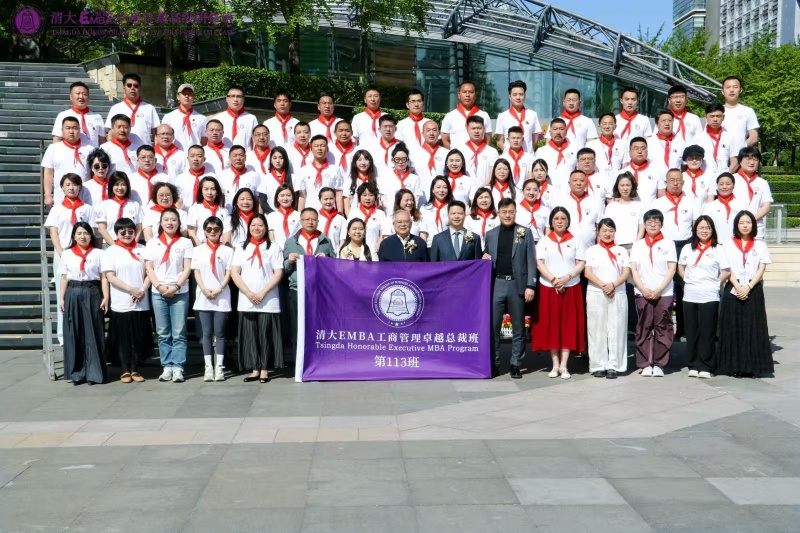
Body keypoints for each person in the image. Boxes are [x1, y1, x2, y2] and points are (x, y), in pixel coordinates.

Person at [484, 198, 536, 378]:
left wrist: (531, 285)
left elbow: (531, 261)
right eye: (504, 212)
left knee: (518, 327)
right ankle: (494, 361)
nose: (508, 215)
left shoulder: (524, 232)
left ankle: (515, 363)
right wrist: (484, 257)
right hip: (497, 283)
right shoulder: (491, 234)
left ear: (515, 213)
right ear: (498, 213)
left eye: (511, 212)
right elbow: (486, 258)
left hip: (517, 284)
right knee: (493, 326)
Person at [718, 210, 773, 377]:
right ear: (736, 225)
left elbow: (762, 268)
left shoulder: (760, 245)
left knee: (752, 327)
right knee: (732, 327)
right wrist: (737, 286)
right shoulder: (727, 245)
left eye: (748, 222)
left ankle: (752, 367)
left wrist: (748, 286)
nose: (745, 225)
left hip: (753, 288)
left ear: (753, 225)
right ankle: (733, 366)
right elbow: (726, 268)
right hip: (733, 287)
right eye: (741, 222)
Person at [532, 207, 585, 379]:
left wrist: (567, 277)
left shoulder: (576, 240)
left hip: (571, 287)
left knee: (568, 325)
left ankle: (564, 365)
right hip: (549, 287)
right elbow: (539, 263)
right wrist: (554, 280)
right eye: (556, 218)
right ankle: (555, 364)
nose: (560, 221)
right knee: (552, 325)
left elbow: (581, 263)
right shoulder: (544, 241)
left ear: (568, 221)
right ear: (551, 222)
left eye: (563, 218)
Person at [231, 214, 284, 382]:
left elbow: (278, 272)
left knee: (265, 334)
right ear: (249, 228)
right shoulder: (241, 247)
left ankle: (265, 369)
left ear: (266, 228)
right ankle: (254, 369)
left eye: (260, 225)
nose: (256, 228)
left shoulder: (273, 247)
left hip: (268, 299)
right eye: (253, 225)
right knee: (250, 335)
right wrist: (248, 293)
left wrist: (262, 293)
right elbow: (235, 272)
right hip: (246, 299)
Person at [45, 173, 95, 345]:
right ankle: (63, 335)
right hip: (64, 253)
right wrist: (61, 253)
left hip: (84, 253)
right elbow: (53, 232)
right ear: (62, 187)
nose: (71, 188)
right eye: (67, 185)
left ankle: (84, 333)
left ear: (80, 187)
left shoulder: (87, 208)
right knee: (63, 294)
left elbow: (92, 231)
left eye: (74, 185)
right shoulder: (57, 209)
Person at [678, 216, 731, 378]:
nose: (704, 230)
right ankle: (693, 364)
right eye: (701, 227)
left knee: (708, 332)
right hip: (690, 295)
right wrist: (688, 279)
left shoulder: (718, 249)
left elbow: (726, 270)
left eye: (708, 227)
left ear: (712, 230)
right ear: (695, 230)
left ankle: (707, 366)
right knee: (692, 332)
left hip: (709, 295)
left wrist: (716, 284)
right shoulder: (687, 248)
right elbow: (681, 267)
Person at [145, 208, 193, 383]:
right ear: (161, 222)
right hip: (158, 292)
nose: (170, 223)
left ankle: (178, 367)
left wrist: (176, 286)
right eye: (166, 220)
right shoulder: (152, 243)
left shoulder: (185, 243)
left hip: (179, 292)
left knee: (179, 332)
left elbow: (187, 268)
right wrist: (158, 286)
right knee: (163, 332)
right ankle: (167, 366)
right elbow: (149, 268)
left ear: (179, 223)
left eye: (173, 220)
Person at [101, 217, 152, 383]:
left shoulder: (143, 249)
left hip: (141, 300)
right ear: (116, 233)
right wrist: (131, 290)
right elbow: (110, 276)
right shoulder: (110, 252)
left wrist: (141, 290)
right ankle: (124, 369)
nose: (127, 234)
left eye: (130, 231)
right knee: (122, 337)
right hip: (121, 300)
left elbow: (149, 273)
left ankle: (135, 369)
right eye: (123, 232)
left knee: (138, 336)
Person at [284, 208, 337, 359]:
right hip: (297, 290)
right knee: (296, 326)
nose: (310, 222)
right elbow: (285, 269)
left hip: (319, 290)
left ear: (318, 221)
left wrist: (326, 260)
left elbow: (334, 266)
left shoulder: (325, 241)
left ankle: (318, 358)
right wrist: (289, 261)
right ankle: (298, 361)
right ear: (301, 221)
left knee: (317, 326)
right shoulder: (291, 242)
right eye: (307, 219)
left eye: (313, 219)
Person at [59, 222, 108, 385]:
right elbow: (64, 277)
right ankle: (77, 372)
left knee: (93, 330)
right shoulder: (67, 254)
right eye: (79, 233)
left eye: (86, 233)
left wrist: (106, 297)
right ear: (74, 235)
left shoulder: (99, 253)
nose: (83, 236)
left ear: (91, 236)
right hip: (73, 291)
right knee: (74, 330)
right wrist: (61, 298)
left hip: (92, 291)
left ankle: (94, 373)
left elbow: (103, 278)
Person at [630, 209, 677, 377]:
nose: (653, 224)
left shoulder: (668, 243)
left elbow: (672, 268)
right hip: (642, 291)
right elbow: (634, 269)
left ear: (661, 224)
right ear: (644, 224)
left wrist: (659, 289)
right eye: (649, 222)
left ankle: (659, 363)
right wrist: (643, 289)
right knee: (644, 326)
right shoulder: (638, 245)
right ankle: (645, 363)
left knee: (663, 327)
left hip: (664, 292)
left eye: (656, 221)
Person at [584, 218, 630, 378]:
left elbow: (626, 272)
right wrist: (604, 285)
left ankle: (614, 365)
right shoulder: (592, 250)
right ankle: (598, 364)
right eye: (604, 230)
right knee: (596, 329)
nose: (607, 233)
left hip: (617, 293)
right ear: (598, 232)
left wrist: (613, 285)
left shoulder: (621, 250)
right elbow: (587, 272)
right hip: (596, 292)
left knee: (617, 329)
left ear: (615, 232)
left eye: (611, 230)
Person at [191, 216, 234, 382]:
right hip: (204, 296)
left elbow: (229, 272)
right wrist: (203, 289)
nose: (212, 232)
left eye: (216, 229)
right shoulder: (198, 250)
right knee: (207, 333)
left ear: (221, 231)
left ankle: (219, 367)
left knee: (220, 332)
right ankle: (208, 367)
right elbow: (196, 272)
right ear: (204, 231)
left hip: (221, 296)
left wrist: (220, 288)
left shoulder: (227, 251)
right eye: (209, 229)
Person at [42, 116, 94, 206]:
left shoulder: (89, 149)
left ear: (79, 130)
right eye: (68, 128)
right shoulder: (53, 148)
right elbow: (48, 173)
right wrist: (47, 195)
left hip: (85, 195)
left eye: (74, 128)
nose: (71, 131)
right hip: (61, 196)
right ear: (62, 130)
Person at [105, 73, 159, 145]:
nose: (132, 88)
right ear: (124, 88)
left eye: (136, 86)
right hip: (122, 149)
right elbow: (110, 132)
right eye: (129, 85)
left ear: (139, 88)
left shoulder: (149, 108)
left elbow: (156, 134)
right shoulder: (116, 108)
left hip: (144, 149)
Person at [555, 170, 602, 252]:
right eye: (575, 180)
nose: (578, 183)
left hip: (589, 249)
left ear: (586, 183)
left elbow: (600, 228)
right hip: (566, 249)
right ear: (569, 183)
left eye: (582, 180)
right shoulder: (560, 202)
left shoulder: (595, 201)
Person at [733, 147, 773, 240]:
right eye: (748, 159)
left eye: (755, 159)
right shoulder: (731, 179)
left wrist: (750, 221)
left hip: (756, 228)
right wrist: (740, 222)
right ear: (740, 161)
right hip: (734, 227)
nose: (752, 162)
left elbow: (766, 206)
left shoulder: (762, 183)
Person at [95, 171, 144, 246]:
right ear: (111, 186)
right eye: (116, 185)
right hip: (110, 244)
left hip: (130, 245)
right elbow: (102, 229)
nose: (120, 188)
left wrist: (133, 244)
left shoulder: (135, 205)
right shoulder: (104, 205)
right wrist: (115, 246)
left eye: (123, 184)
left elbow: (139, 228)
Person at [619, 136, 666, 212]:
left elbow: (661, 196)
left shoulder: (657, 171)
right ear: (630, 153)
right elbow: (617, 196)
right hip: (628, 213)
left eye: (643, 148)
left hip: (650, 214)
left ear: (647, 152)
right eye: (636, 148)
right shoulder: (622, 173)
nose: (640, 151)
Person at [296, 135, 343, 212]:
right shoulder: (304, 170)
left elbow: (338, 194)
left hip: (330, 213)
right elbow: (302, 196)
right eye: (316, 146)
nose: (319, 148)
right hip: (310, 213)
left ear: (327, 149)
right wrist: (300, 214)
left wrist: (340, 213)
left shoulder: (335, 170)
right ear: (311, 149)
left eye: (322, 146)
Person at [52, 81, 106, 147]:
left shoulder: (97, 117)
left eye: (84, 94)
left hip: (93, 153)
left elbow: (102, 141)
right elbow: (57, 138)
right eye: (78, 93)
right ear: (71, 96)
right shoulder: (63, 115)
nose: (81, 97)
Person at [441, 81, 492, 148]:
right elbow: (444, 139)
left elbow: (488, 138)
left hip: (478, 153)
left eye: (471, 92)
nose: (467, 95)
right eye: (464, 92)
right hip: (457, 154)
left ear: (475, 95)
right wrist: (453, 152)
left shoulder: (484, 115)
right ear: (459, 95)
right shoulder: (450, 116)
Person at [495, 80, 541, 153]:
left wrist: (528, 153)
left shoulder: (533, 115)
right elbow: (499, 141)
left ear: (525, 96)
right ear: (510, 96)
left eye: (521, 94)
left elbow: (535, 139)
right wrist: (509, 153)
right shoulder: (502, 116)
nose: (518, 97)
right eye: (515, 95)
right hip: (509, 158)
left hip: (528, 157)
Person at [453, 116, 499, 187]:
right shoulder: (460, 151)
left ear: (484, 130)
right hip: (464, 188)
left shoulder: (492, 151)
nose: (476, 131)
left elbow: (493, 173)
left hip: (485, 190)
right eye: (473, 128)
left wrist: (482, 188)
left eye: (479, 128)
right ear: (467, 130)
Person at [721, 76, 760, 158]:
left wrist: (738, 153)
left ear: (740, 90)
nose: (732, 90)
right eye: (728, 87)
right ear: (722, 91)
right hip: (720, 155)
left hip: (741, 157)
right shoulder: (716, 112)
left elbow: (753, 138)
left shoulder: (748, 111)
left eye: (735, 87)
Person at [161, 83, 207, 151]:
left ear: (194, 97)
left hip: (195, 155)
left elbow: (204, 141)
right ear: (178, 96)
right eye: (184, 93)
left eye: (189, 94)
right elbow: (162, 139)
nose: (186, 96)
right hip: (175, 154)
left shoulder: (202, 118)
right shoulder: (169, 117)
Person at [378, 143, 422, 213]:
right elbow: (384, 199)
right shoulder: (385, 177)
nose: (400, 162)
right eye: (397, 159)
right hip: (391, 214)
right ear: (392, 160)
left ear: (407, 160)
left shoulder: (414, 178)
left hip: (409, 215)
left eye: (403, 159)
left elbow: (416, 200)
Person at [604, 172, 644, 247]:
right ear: (617, 187)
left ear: (632, 187)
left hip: (633, 246)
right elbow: (607, 227)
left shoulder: (639, 206)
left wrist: (635, 246)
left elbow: (641, 229)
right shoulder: (611, 207)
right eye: (622, 185)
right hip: (615, 245)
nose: (625, 188)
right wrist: (615, 245)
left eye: (628, 185)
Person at [188, 176, 231, 245]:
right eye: (206, 189)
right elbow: (192, 233)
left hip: (220, 247)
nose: (209, 192)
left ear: (217, 191)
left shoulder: (224, 211)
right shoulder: (194, 208)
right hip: (201, 246)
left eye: (213, 189)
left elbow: (226, 233)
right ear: (201, 191)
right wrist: (202, 248)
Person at [702, 172, 744, 242]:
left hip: (737, 245)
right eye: (721, 184)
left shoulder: (741, 205)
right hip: (716, 244)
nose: (724, 187)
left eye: (728, 184)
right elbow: (704, 227)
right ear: (717, 186)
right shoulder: (710, 206)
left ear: (733, 186)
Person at [534, 118, 576, 188]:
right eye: (555, 129)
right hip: (548, 191)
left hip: (569, 191)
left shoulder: (574, 150)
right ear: (550, 132)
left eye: (561, 129)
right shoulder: (541, 151)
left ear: (566, 132)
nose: (558, 132)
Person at [586, 113, 627, 184]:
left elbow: (624, 166)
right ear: (599, 126)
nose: (607, 126)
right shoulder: (591, 145)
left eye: (610, 124)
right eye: (604, 124)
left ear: (615, 126)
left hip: (616, 183)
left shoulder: (622, 144)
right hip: (597, 183)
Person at [695, 103, 735, 175]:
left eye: (718, 116)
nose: (715, 119)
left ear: (723, 117)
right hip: (704, 177)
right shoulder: (698, 138)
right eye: (712, 116)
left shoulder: (730, 137)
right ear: (706, 117)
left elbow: (735, 162)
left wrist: (725, 177)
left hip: (724, 177)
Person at [410, 120, 447, 193]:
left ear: (439, 133)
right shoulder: (414, 154)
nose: (431, 133)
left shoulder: (446, 153)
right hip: (421, 195)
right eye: (428, 130)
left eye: (434, 130)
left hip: (442, 194)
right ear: (422, 134)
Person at [219, 145, 260, 210]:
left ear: (245, 157)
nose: (238, 158)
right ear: (229, 158)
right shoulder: (222, 175)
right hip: (229, 213)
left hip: (249, 213)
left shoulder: (254, 176)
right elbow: (221, 198)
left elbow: (258, 199)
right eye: (235, 155)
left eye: (241, 155)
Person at [681, 144, 716, 216]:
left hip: (703, 217)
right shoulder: (681, 177)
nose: (694, 161)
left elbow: (710, 201)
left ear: (702, 160)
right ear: (686, 160)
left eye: (697, 158)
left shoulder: (709, 177)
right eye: (690, 158)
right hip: (684, 216)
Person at [499, 126, 535, 190]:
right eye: (513, 138)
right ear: (508, 139)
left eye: (518, 138)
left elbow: (530, 177)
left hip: (524, 191)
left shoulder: (530, 157)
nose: (516, 140)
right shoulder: (502, 158)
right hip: (507, 191)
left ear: (522, 139)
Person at [257, 146, 292, 212]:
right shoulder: (266, 178)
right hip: (270, 215)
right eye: (275, 158)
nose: (278, 161)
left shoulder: (293, 177)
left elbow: (296, 200)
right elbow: (263, 202)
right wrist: (274, 214)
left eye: (281, 158)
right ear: (271, 160)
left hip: (289, 215)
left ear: (285, 160)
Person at [343, 149, 378, 215]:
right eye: (359, 160)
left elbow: (379, 203)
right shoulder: (349, 181)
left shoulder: (376, 181)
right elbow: (347, 206)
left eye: (366, 159)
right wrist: (350, 218)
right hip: (355, 217)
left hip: (373, 216)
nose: (363, 163)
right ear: (355, 162)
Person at [516, 178, 550, 243]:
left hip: (539, 244)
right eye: (528, 189)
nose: (531, 193)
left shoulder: (545, 210)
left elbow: (547, 232)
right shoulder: (516, 208)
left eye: (535, 190)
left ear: (539, 192)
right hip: (520, 242)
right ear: (523, 190)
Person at [267, 184, 301, 248]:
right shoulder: (271, 216)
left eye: (288, 195)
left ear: (293, 198)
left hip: (294, 250)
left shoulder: (299, 215)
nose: (285, 198)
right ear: (277, 199)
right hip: (277, 250)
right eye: (282, 196)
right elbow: (271, 238)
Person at [419, 176, 453, 241]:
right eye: (438, 187)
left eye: (445, 187)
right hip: (430, 244)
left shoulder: (452, 207)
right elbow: (423, 232)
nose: (441, 190)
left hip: (448, 244)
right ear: (433, 190)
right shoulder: (424, 208)